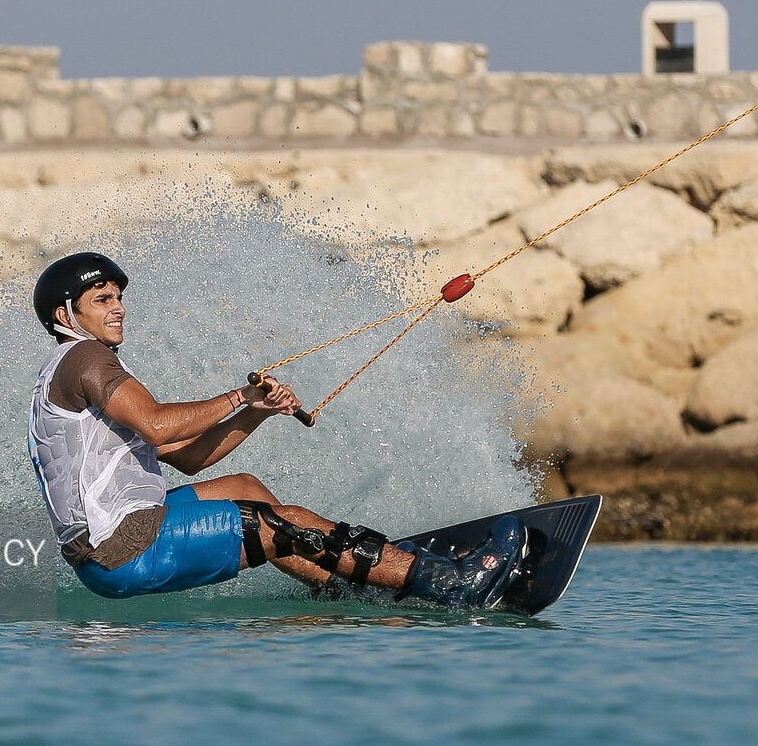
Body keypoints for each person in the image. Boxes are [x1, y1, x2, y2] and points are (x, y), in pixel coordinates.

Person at [27, 251, 527, 608]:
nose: (118, 307)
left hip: (110, 547)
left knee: (243, 489)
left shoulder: (74, 368)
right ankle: (449, 583)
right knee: (282, 523)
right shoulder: (84, 357)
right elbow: (158, 427)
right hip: (123, 550)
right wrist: (239, 395)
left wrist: (255, 412)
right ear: (64, 315)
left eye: (118, 297)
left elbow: (184, 456)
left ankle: (342, 585)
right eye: (101, 299)